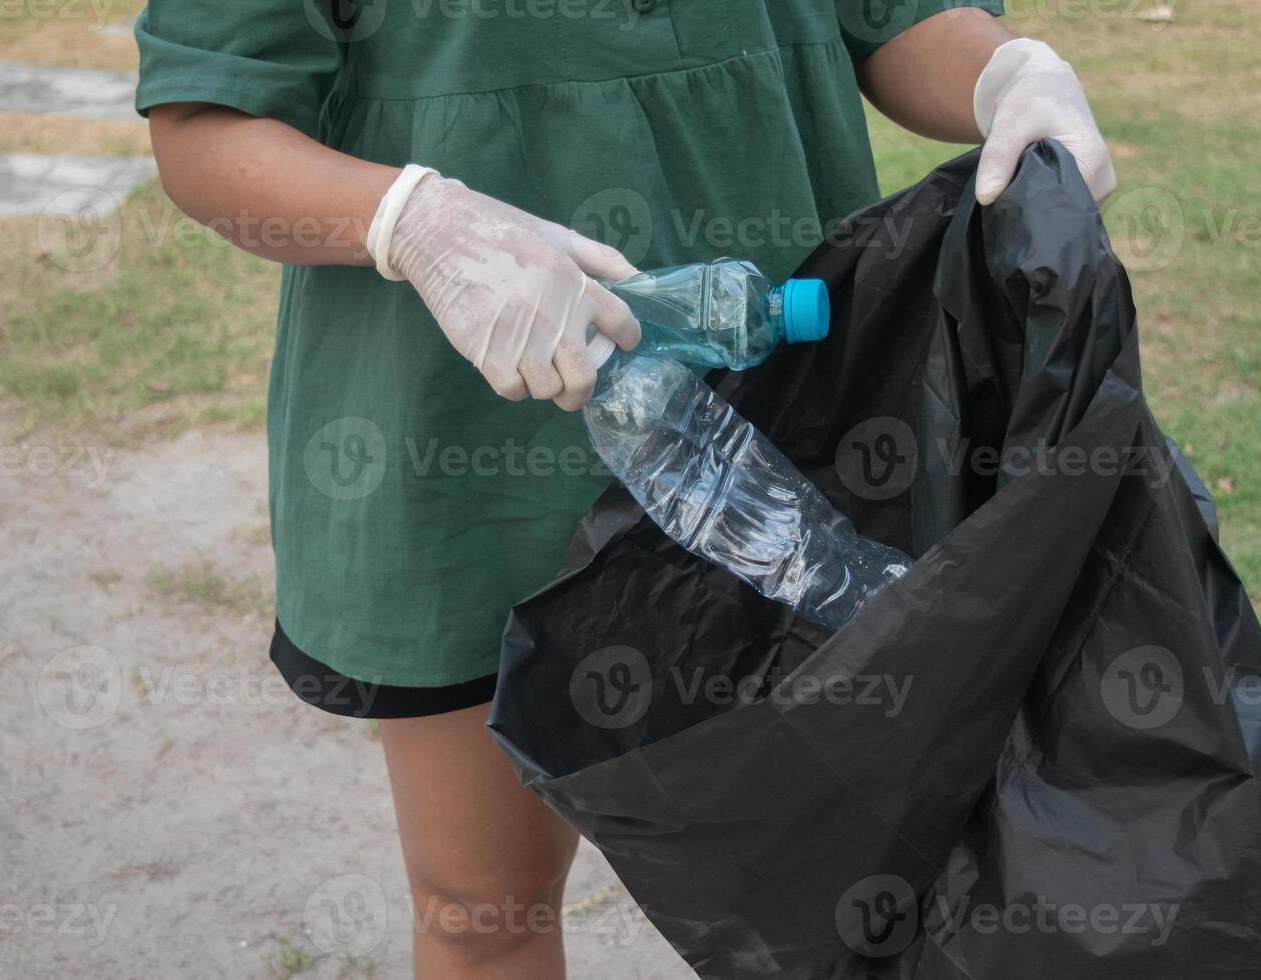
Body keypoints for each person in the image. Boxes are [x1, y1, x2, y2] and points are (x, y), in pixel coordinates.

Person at [135, 1, 1113, 976]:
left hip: (788, 429)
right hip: (461, 454)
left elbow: (896, 19)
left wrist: (1008, 73)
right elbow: (207, 122)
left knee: (871, 891)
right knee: (488, 908)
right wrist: (414, 220)